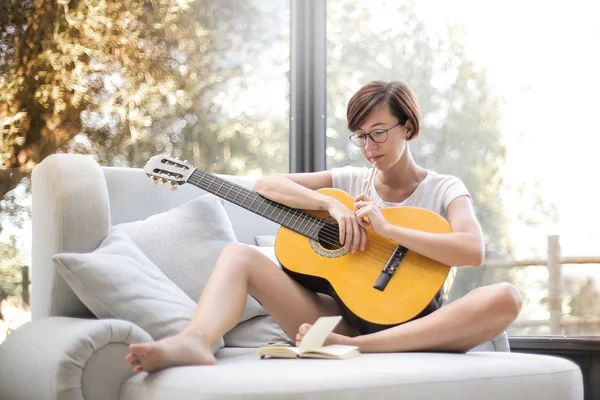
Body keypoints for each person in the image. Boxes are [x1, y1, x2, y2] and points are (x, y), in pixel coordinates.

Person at [126, 80, 522, 374]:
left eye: (379, 133)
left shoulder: (443, 187)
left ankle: (362, 348)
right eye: (361, 137)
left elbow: (472, 250)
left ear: (408, 127)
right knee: (238, 255)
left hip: (418, 323)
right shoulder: (350, 180)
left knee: (506, 297)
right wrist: (329, 202)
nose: (370, 147)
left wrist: (388, 229)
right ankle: (195, 342)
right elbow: (266, 185)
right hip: (343, 320)